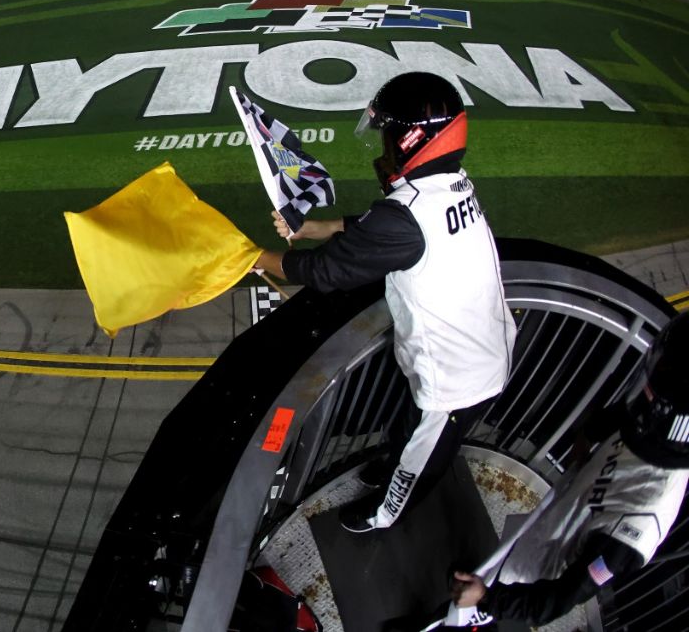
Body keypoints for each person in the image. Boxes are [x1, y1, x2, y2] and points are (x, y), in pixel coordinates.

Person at [251, 71, 516, 533]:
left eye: (389, 133)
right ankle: (394, 464)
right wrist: (315, 228)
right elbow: (381, 228)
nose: (385, 144)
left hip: (455, 381)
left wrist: (255, 257)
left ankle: (386, 512)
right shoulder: (445, 187)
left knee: (419, 460)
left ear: (411, 139)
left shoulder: (407, 215)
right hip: (477, 350)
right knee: (407, 431)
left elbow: (323, 272)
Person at [447, 313, 688, 624]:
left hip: (535, 574)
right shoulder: (653, 419)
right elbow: (627, 411)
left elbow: (558, 600)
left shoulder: (635, 530)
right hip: (548, 523)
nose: (645, 393)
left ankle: (470, 615)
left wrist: (488, 600)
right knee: (496, 567)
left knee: (473, 606)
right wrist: (589, 434)